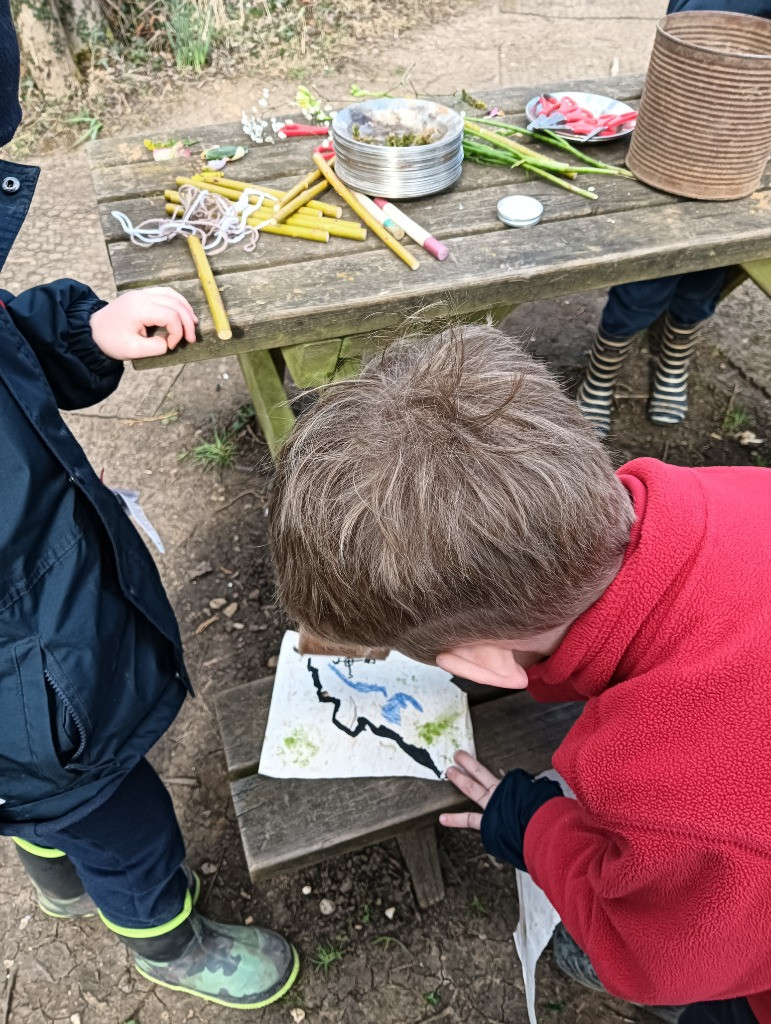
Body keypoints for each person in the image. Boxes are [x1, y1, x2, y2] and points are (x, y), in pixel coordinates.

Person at [269, 323, 771, 1024]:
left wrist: (532, 826)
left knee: (618, 966)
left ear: (479, 667)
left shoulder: (675, 801)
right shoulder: (733, 492)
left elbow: (654, 957)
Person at [0, 2, 297, 1008]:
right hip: (32, 669)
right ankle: (165, 937)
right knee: (111, 806)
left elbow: (9, 347)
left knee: (44, 793)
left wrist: (88, 328)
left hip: (38, 652)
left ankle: (53, 868)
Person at [576, 0, 771, 439]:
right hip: (670, 147)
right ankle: (603, 369)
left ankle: (675, 355)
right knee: (645, 279)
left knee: (707, 272)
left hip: (738, 158)